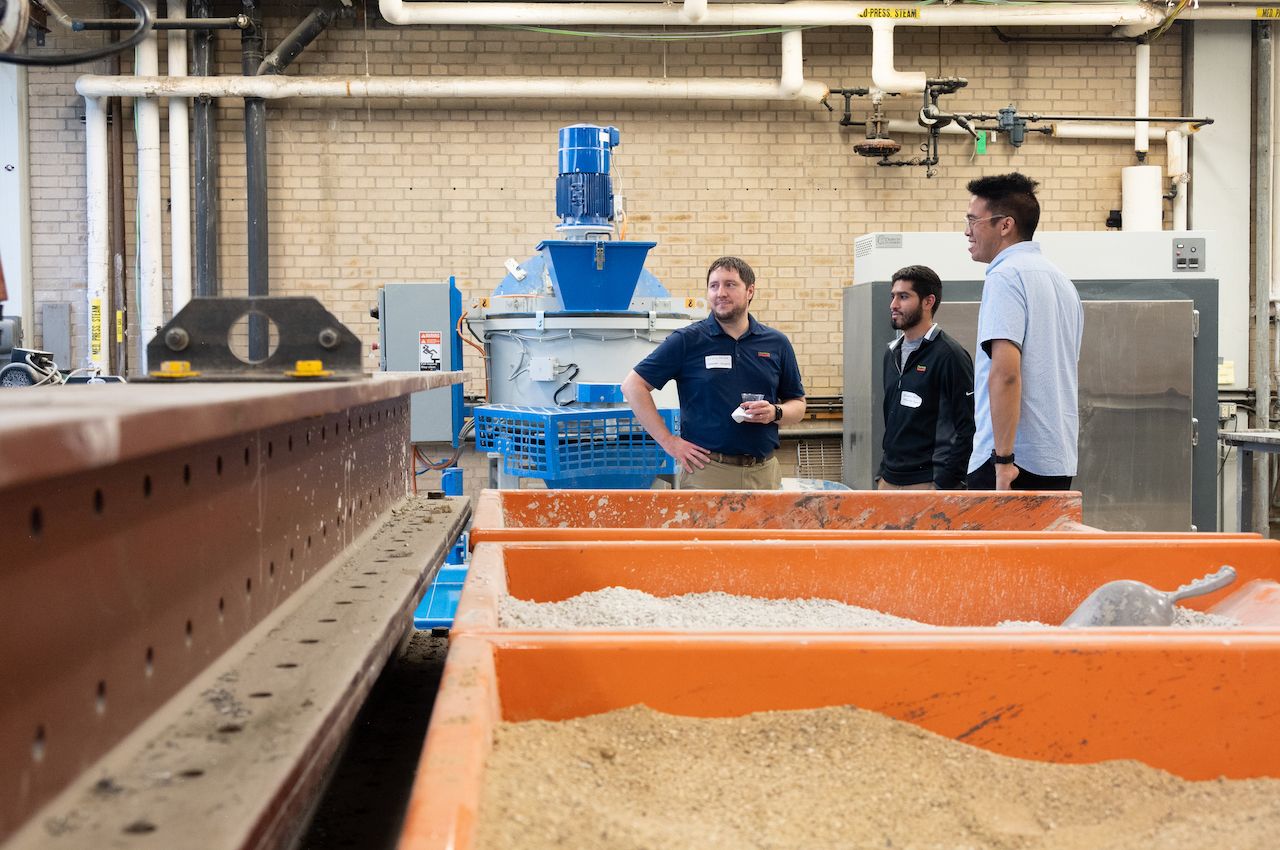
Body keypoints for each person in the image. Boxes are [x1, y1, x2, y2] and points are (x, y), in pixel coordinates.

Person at [621, 256, 806, 489]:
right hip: (707, 473)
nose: (720, 293)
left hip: (764, 473)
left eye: (730, 284)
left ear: (750, 291)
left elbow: (798, 405)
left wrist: (775, 412)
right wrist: (669, 442)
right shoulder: (688, 341)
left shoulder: (776, 343)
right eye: (714, 286)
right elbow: (633, 386)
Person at [963, 173, 1083, 491]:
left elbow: (1006, 374)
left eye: (973, 221)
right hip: (1055, 461)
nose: (966, 231)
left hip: (1011, 464)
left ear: (1005, 225)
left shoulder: (1006, 277)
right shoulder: (1061, 282)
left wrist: (1002, 462)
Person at [878, 264, 975, 490]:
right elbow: (892, 421)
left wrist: (943, 484)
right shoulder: (892, 353)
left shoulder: (950, 355)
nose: (893, 305)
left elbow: (967, 428)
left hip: (928, 483)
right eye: (893, 296)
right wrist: (882, 474)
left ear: (928, 302)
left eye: (903, 297)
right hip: (889, 481)